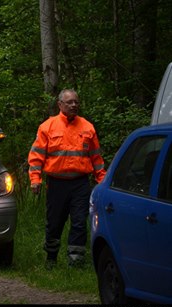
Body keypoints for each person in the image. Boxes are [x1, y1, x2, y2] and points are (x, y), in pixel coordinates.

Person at [27, 88, 106, 269]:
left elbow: (96, 159)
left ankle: (76, 261)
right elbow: (36, 157)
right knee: (54, 222)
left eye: (76, 102)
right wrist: (35, 179)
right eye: (69, 102)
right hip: (56, 184)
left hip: (80, 183)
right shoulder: (47, 127)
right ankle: (51, 258)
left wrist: (102, 181)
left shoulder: (87, 127)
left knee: (79, 221)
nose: (73, 105)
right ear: (60, 104)